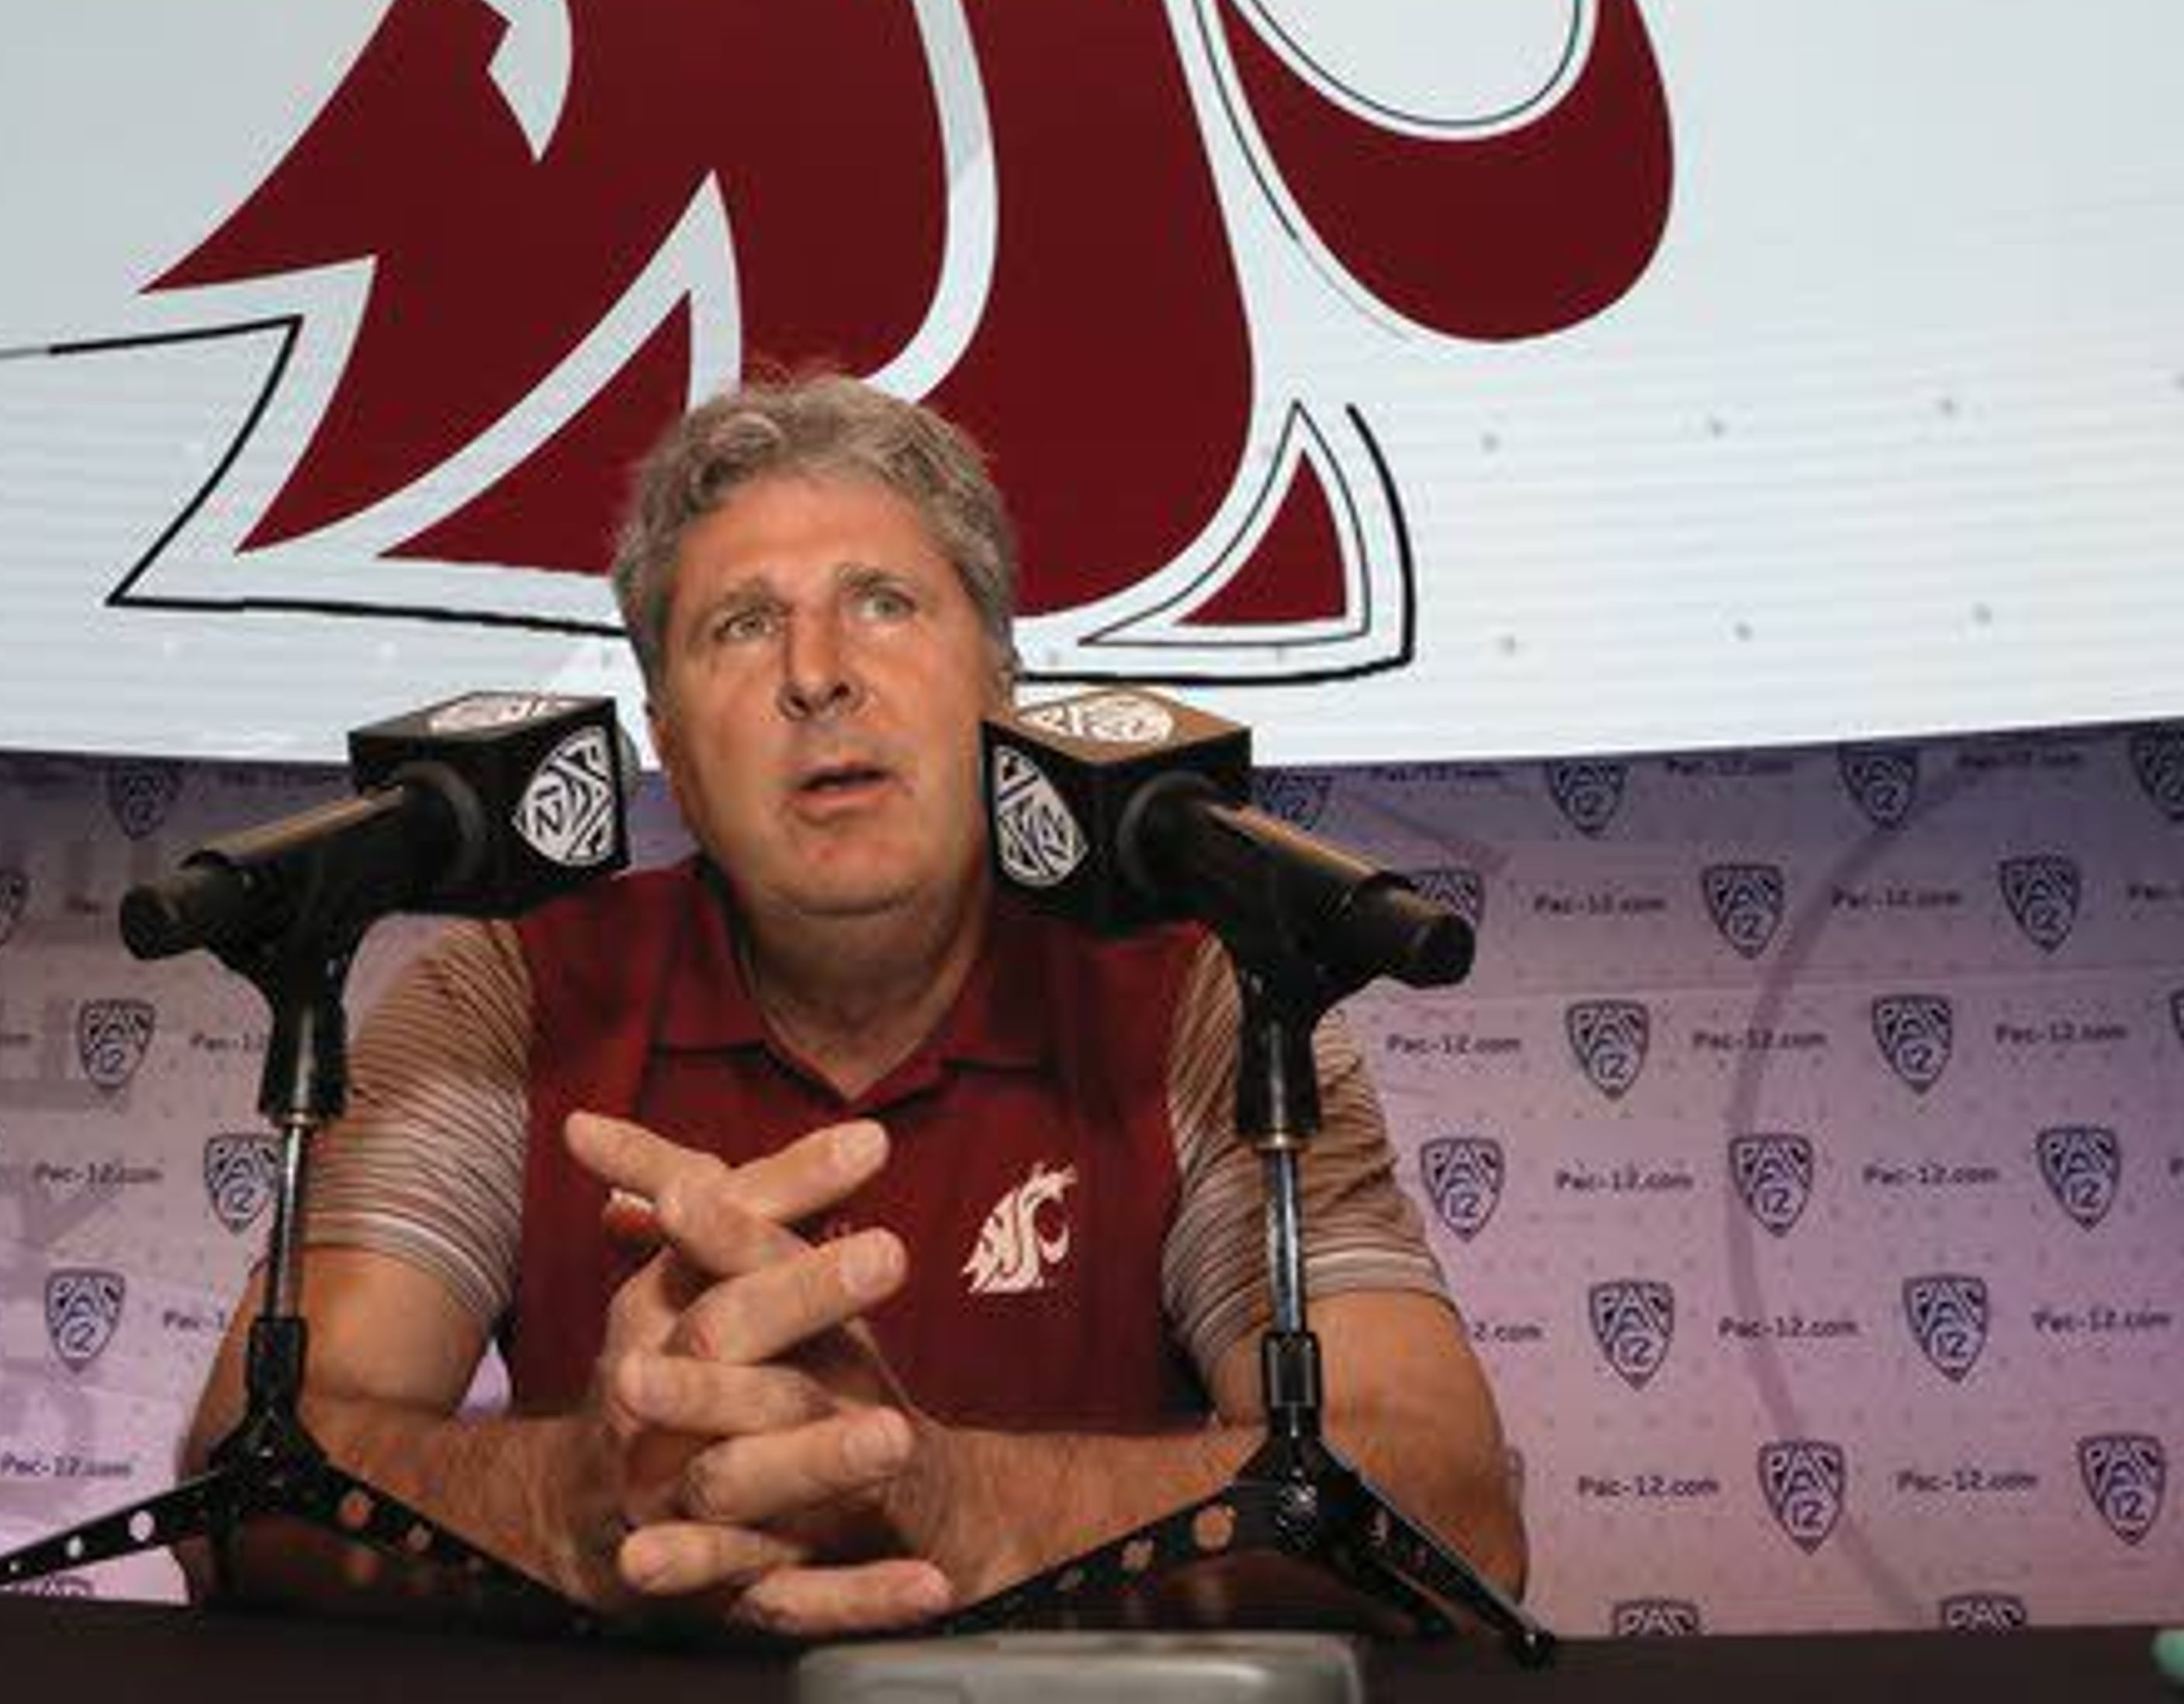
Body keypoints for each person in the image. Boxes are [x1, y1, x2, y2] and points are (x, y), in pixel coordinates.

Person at [180, 372, 1521, 1635]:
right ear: (669, 750)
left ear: (1003, 691)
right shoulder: (506, 994)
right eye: (742, 624)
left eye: (883, 602)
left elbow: (1453, 1514)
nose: (815, 672)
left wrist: (939, 1495)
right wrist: (572, 1505)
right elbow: (241, 1481)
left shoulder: (1200, 1002)